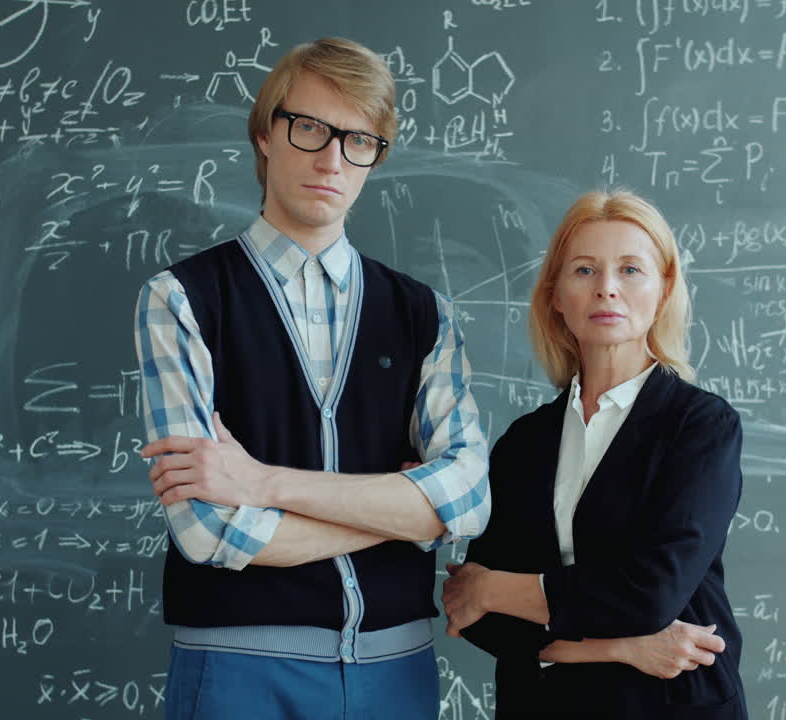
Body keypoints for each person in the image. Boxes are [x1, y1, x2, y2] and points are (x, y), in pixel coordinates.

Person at [132, 37, 490, 719]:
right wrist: (408, 516)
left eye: (358, 140)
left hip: (398, 672)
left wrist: (264, 484)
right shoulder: (182, 300)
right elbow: (211, 531)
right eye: (310, 128)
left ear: (375, 156)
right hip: (240, 671)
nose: (332, 158)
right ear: (266, 133)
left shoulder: (422, 314)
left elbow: (469, 500)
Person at [441, 189, 748, 719]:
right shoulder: (524, 442)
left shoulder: (701, 427)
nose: (607, 289)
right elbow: (480, 620)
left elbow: (651, 593)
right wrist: (623, 647)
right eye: (584, 270)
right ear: (556, 294)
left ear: (664, 289)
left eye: (631, 270)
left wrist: (493, 586)